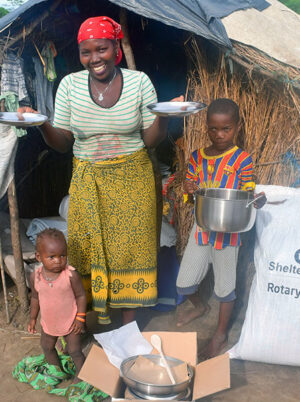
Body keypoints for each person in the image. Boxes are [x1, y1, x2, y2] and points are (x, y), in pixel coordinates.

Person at [19, 16, 183, 325]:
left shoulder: (139, 83)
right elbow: (63, 143)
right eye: (86, 51)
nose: (94, 58)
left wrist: (164, 116)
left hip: (133, 179)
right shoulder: (69, 86)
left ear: (116, 48)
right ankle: (87, 321)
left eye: (102, 49)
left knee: (132, 252)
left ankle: (128, 327)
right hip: (88, 180)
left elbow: (150, 140)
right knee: (87, 249)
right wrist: (43, 124)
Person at [176, 98, 266, 359]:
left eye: (226, 129)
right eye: (213, 129)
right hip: (202, 228)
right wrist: (188, 189)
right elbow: (189, 188)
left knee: (225, 288)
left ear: (236, 128)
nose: (219, 135)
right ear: (206, 128)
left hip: (228, 233)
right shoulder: (197, 158)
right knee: (184, 284)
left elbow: (248, 192)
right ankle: (200, 306)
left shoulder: (242, 160)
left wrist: (257, 200)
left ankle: (220, 335)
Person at [28, 228, 86, 382]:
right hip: (49, 322)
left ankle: (82, 374)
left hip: (71, 322)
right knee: (47, 347)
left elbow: (81, 296)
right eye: (51, 257)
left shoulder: (70, 275)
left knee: (74, 350)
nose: (58, 261)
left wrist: (80, 318)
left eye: (62, 255)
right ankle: (57, 370)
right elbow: (35, 298)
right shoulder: (36, 277)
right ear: (39, 257)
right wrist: (33, 318)